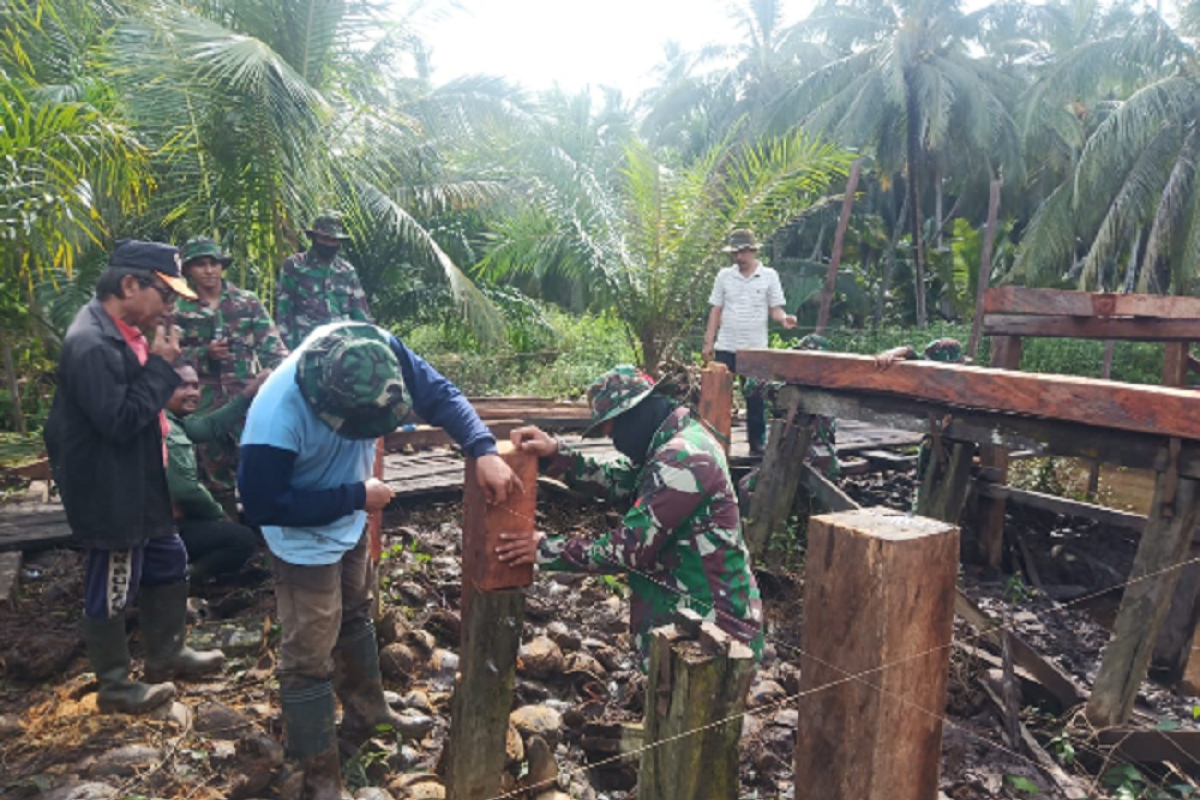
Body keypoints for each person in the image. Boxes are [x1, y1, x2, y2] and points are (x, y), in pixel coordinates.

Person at [237, 322, 523, 800]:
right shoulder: (274, 419)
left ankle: (371, 718)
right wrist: (354, 495)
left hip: (351, 515)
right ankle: (318, 776)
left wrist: (483, 448)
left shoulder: (376, 346)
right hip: (301, 534)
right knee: (309, 649)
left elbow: (442, 395)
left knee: (355, 612)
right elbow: (263, 506)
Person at [44, 240, 224, 715]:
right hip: (108, 484)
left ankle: (167, 653)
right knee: (114, 580)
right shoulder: (92, 343)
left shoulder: (121, 330)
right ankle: (116, 684)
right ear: (129, 285)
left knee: (167, 555)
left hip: (139, 475)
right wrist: (163, 370)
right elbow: (120, 420)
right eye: (165, 296)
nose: (169, 308)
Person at [496, 365, 763, 666]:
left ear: (638, 412)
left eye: (615, 431)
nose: (616, 442)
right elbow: (623, 482)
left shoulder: (684, 457)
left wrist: (544, 548)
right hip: (690, 624)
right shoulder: (671, 443)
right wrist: (556, 454)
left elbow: (627, 550)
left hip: (712, 633)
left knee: (699, 713)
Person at [173, 237, 289, 515]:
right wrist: (204, 355)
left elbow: (273, 348)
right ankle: (231, 537)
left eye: (214, 263)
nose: (209, 270)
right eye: (201, 264)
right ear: (189, 270)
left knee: (258, 466)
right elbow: (168, 360)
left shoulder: (246, 302)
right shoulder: (178, 309)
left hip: (247, 400)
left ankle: (266, 533)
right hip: (205, 405)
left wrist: (280, 378)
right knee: (215, 478)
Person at [166, 364, 269, 583]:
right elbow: (186, 491)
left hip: (160, 523)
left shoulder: (172, 419)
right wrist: (219, 514)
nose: (193, 392)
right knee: (240, 540)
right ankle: (175, 580)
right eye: (183, 386)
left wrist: (249, 393)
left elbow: (209, 427)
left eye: (195, 385)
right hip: (160, 528)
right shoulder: (166, 429)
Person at [702, 229, 797, 455]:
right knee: (719, 396)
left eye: (742, 251)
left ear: (752, 251)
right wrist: (708, 343)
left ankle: (757, 444)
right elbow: (716, 310)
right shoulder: (724, 276)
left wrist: (784, 319)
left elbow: (775, 309)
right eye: (735, 252)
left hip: (755, 348)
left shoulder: (769, 276)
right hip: (726, 345)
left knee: (755, 397)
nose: (738, 256)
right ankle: (717, 444)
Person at [275, 212, 372, 351]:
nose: (329, 243)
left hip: (343, 347)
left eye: (334, 240)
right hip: (308, 347)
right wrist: (288, 351)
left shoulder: (346, 271)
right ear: (314, 237)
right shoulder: (295, 266)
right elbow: (284, 312)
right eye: (325, 238)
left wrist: (368, 344)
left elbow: (360, 312)